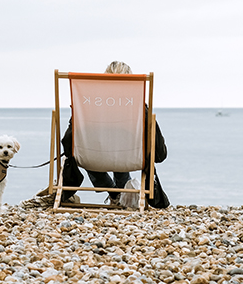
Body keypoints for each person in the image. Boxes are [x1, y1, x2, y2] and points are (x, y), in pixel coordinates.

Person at [60, 61, 170, 208]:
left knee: (84, 153)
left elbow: (68, 140)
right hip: (128, 158)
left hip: (93, 159)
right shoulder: (139, 107)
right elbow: (159, 151)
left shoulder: (89, 106)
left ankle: (114, 194)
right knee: (122, 149)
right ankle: (122, 195)